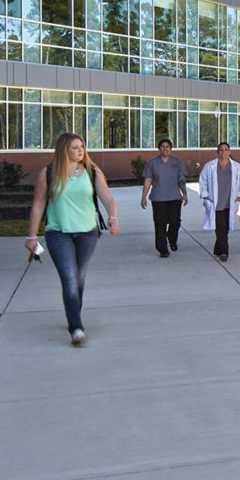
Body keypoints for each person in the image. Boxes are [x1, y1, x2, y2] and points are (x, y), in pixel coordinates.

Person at [25, 132, 120, 347]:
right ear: (63, 150)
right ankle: (76, 327)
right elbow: (38, 205)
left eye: (82, 146)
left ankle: (73, 311)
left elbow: (106, 196)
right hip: (58, 233)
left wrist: (113, 217)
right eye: (75, 147)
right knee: (69, 277)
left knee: (79, 277)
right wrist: (32, 236)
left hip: (87, 232)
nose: (80, 150)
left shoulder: (91, 171)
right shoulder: (48, 173)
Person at [198, 140, 240, 260]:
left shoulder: (236, 166)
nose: (223, 152)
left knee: (225, 227)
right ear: (217, 152)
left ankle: (218, 249)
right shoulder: (210, 166)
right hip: (216, 202)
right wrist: (205, 196)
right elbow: (203, 181)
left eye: (225, 150)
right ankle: (224, 252)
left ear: (229, 152)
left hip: (230, 202)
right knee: (220, 227)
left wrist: (239, 197)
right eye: (221, 150)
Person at [141, 137, 188, 258]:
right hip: (158, 198)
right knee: (160, 224)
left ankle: (172, 240)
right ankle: (162, 249)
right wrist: (144, 197)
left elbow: (181, 179)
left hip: (174, 198)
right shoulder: (152, 163)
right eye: (163, 147)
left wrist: (184, 194)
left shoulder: (177, 162)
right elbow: (148, 180)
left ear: (171, 149)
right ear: (159, 149)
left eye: (167, 147)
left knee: (175, 222)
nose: (165, 149)